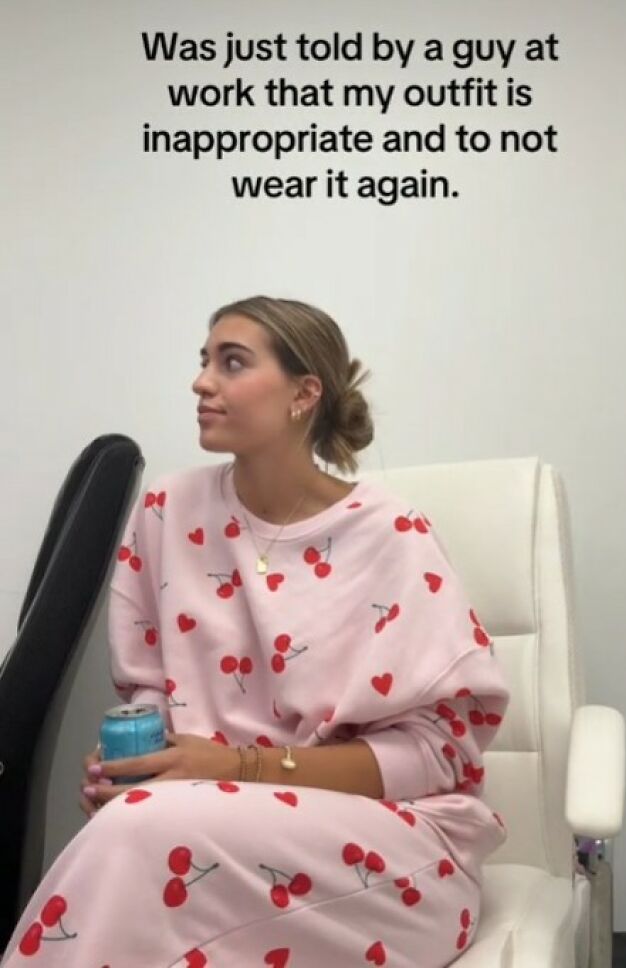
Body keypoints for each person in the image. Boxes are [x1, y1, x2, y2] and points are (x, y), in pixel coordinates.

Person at [1, 295, 510, 967]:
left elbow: (438, 757)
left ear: (304, 393)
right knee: (135, 834)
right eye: (204, 359)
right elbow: (149, 689)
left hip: (385, 857)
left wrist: (237, 768)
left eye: (232, 362)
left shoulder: (392, 535)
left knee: (138, 838)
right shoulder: (167, 512)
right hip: (196, 832)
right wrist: (134, 765)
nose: (202, 380)